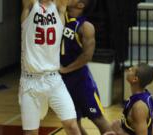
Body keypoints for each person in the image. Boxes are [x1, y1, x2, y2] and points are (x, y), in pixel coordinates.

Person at [20, 0, 82, 135]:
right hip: (30, 82)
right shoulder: (30, 6)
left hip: (54, 80)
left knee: (72, 125)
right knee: (31, 133)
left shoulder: (59, 7)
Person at [60, 0, 114, 134]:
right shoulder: (60, 15)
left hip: (81, 80)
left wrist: (66, 69)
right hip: (63, 81)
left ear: (80, 5)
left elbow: (87, 56)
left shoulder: (86, 27)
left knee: (98, 118)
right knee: (73, 122)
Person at [104, 63, 153, 135]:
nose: (129, 69)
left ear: (135, 79)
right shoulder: (148, 96)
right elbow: (152, 127)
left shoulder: (139, 107)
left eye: (132, 70)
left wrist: (119, 132)